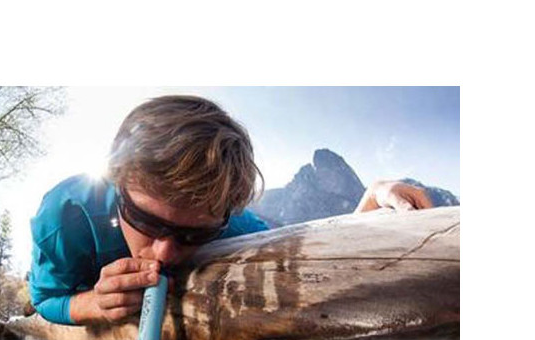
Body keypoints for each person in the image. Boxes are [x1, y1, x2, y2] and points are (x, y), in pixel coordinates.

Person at [29, 95, 431, 326]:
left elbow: (306, 247)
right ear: (116, 180)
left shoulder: (233, 226)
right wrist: (90, 305)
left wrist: (372, 199)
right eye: (147, 222)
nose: (166, 253)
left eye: (194, 235)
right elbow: (46, 297)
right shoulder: (66, 214)